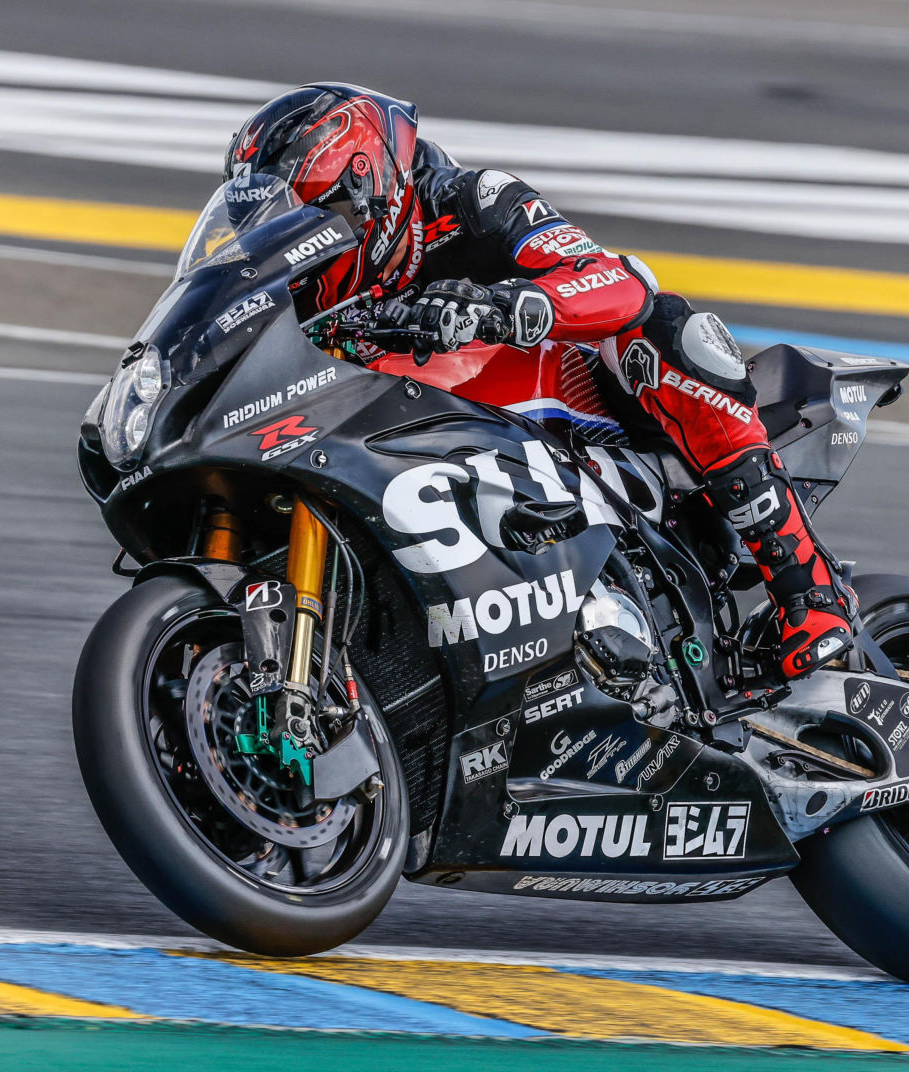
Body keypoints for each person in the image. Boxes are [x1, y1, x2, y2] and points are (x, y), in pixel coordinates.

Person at [224, 83, 855, 680]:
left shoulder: (470, 200)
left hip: (574, 409)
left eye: (322, 218)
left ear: (371, 187)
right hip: (413, 447)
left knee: (661, 333)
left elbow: (614, 281)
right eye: (279, 231)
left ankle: (809, 592)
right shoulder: (311, 292)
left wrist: (504, 306)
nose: (311, 245)